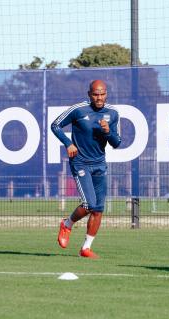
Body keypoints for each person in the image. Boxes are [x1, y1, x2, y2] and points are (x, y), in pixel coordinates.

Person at [51, 80, 121, 258]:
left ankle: (86, 248)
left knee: (98, 209)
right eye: (96, 94)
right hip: (80, 162)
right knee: (89, 204)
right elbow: (55, 125)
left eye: (102, 94)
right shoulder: (78, 109)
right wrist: (68, 143)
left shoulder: (112, 113)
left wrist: (108, 132)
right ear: (89, 94)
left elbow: (116, 143)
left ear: (106, 94)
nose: (99, 98)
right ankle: (67, 224)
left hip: (100, 164)